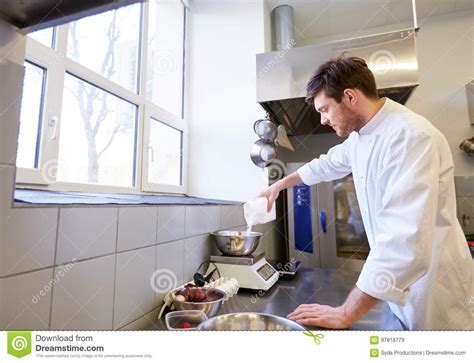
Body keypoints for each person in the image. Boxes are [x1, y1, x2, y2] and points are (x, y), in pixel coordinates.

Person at [259, 56, 473, 330]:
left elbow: (402, 239)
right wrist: (278, 185)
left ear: (349, 96)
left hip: (435, 293)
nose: (323, 120)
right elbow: (326, 165)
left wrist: (346, 312)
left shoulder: (411, 137)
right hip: (402, 292)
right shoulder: (361, 137)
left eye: (325, 109)